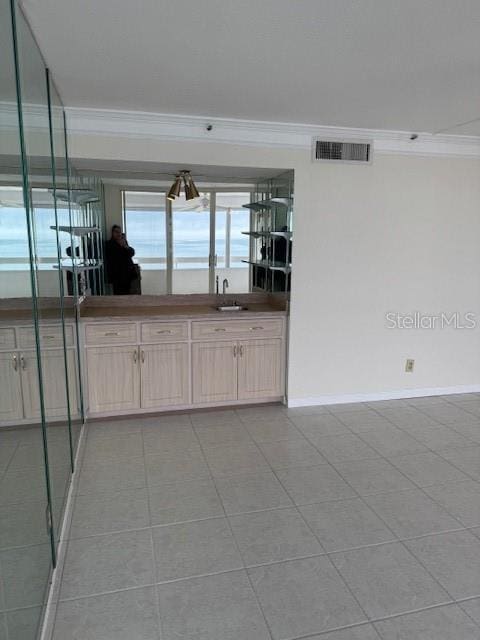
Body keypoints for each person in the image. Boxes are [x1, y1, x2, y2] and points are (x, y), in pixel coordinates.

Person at [105, 225, 136, 295]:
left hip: (127, 274)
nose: (118, 234)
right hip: (117, 276)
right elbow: (114, 257)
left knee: (128, 294)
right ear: (112, 233)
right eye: (116, 232)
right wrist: (120, 246)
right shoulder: (109, 244)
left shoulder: (124, 243)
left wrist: (125, 246)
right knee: (118, 295)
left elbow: (132, 253)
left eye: (120, 232)